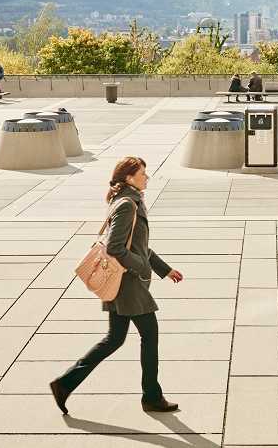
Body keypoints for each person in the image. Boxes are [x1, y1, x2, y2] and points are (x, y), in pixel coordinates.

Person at [51, 157, 185, 415]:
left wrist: (164, 269)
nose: (147, 177)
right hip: (128, 285)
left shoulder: (126, 200)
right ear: (128, 178)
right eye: (143, 174)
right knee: (150, 335)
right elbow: (115, 247)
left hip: (123, 282)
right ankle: (152, 396)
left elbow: (139, 246)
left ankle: (64, 384)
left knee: (114, 339)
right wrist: (143, 267)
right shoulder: (127, 205)